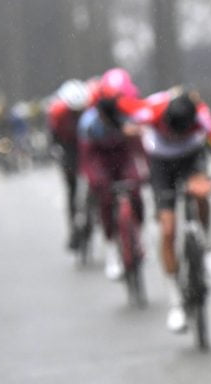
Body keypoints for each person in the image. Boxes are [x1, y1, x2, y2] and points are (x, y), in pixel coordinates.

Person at [133, 89, 211, 333]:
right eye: (173, 131)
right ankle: (175, 302)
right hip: (160, 162)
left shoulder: (203, 118)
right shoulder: (151, 110)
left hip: (191, 156)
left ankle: (208, 245)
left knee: (201, 193)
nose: (176, 135)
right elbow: (124, 122)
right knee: (167, 229)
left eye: (181, 131)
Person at [78, 68, 147, 281]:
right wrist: (94, 179)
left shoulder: (131, 115)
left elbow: (139, 147)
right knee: (105, 199)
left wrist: (145, 169)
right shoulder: (89, 122)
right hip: (100, 158)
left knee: (135, 191)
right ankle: (111, 250)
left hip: (123, 156)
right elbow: (87, 157)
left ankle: (139, 235)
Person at [47, 79, 91, 250]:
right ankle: (73, 229)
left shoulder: (90, 109)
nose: (78, 113)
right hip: (68, 147)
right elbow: (53, 137)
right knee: (71, 190)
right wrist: (56, 151)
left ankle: (91, 215)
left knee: (94, 183)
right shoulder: (58, 113)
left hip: (86, 144)